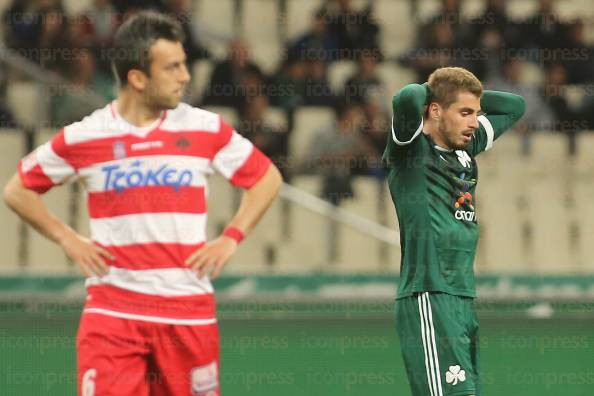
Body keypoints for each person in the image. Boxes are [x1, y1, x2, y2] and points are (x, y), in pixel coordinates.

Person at [3, 11, 282, 396]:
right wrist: (68, 239)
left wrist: (232, 236)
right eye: (172, 67)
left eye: (184, 64)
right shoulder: (86, 135)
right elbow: (17, 189)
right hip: (113, 314)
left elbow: (267, 177)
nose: (185, 76)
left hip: (187, 312)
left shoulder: (204, 127)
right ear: (137, 78)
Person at [383, 67, 525, 396]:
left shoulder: (466, 148)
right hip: (429, 292)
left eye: (476, 113)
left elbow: (515, 106)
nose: (474, 122)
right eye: (464, 112)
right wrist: (439, 90)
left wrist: (464, 97)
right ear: (434, 110)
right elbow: (407, 97)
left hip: (462, 294)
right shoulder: (411, 150)